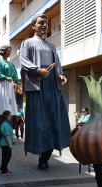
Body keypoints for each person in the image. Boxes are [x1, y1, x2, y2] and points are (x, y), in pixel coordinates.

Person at [20, 14, 70, 170]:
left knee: (55, 118)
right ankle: (41, 158)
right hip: (37, 85)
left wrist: (61, 76)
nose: (44, 25)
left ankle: (47, 156)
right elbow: (23, 61)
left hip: (52, 86)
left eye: (46, 23)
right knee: (39, 121)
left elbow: (57, 65)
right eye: (41, 22)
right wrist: (37, 70)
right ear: (33, 26)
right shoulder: (27, 43)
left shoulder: (51, 46)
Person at [0, 45, 19, 125]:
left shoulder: (11, 64)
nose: (9, 53)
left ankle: (10, 119)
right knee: (3, 100)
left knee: (10, 101)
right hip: (3, 83)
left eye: (10, 51)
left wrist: (17, 81)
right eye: (8, 51)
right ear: (3, 52)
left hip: (10, 84)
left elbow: (15, 74)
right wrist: (5, 78)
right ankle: (2, 118)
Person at [0, 110, 15, 176]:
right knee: (7, 157)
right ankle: (4, 171)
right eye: (10, 116)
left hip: (5, 143)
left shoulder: (5, 123)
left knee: (6, 156)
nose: (11, 117)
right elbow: (6, 135)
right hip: (5, 143)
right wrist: (10, 144)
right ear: (6, 116)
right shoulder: (5, 124)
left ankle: (3, 168)